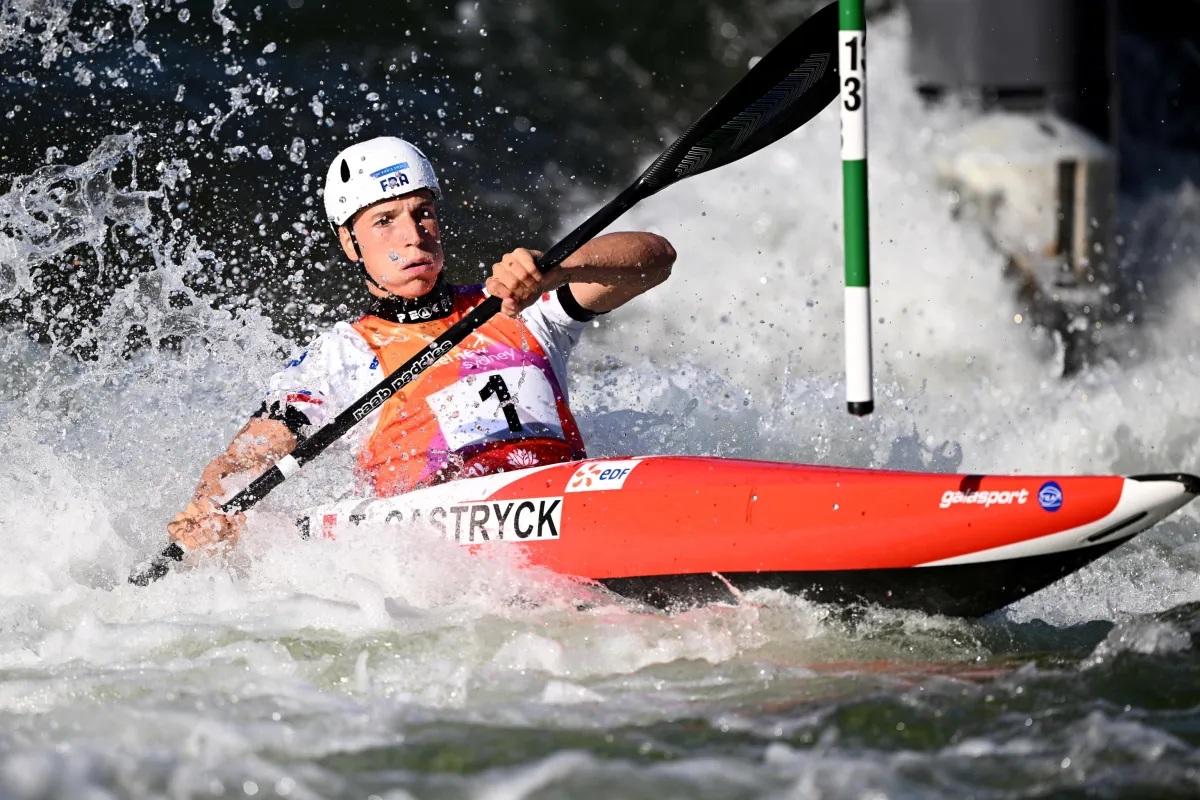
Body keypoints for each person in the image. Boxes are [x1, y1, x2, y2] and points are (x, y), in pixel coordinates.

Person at [167, 136, 675, 551]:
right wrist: (211, 505)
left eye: (423, 213)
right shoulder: (342, 356)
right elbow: (249, 455)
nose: (413, 235)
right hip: (442, 548)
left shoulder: (518, 306)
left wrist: (557, 269)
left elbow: (656, 259)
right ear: (350, 243)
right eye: (384, 221)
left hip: (569, 506)